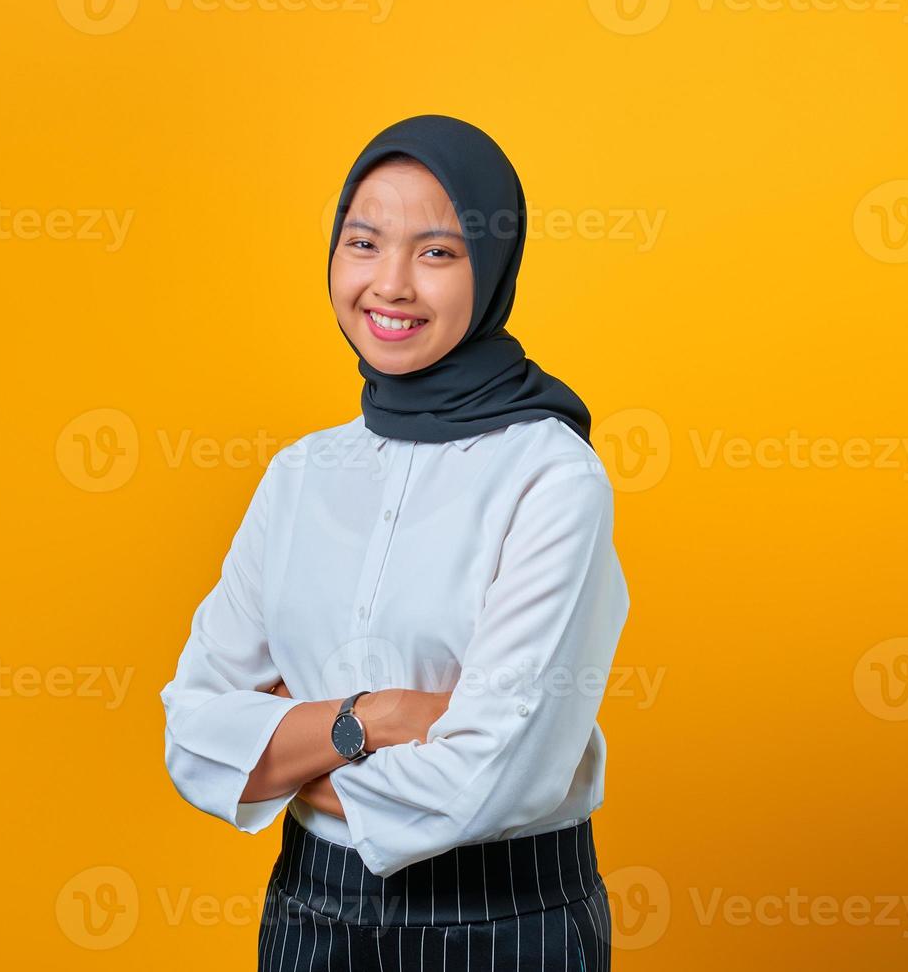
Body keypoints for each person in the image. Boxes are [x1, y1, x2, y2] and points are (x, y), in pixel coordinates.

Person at [160, 113, 630, 971]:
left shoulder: (552, 478)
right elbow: (192, 737)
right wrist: (372, 719)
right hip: (307, 913)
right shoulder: (300, 474)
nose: (391, 284)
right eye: (364, 242)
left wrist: (276, 750)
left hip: (503, 921)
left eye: (439, 252)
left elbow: (488, 781)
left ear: (491, 270)